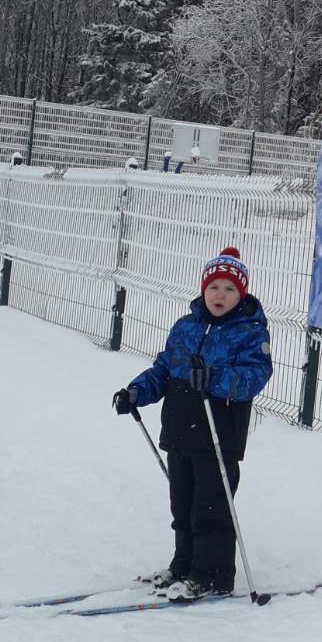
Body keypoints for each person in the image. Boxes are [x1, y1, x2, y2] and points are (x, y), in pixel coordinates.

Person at [112, 247, 273, 598]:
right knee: (182, 504)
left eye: (229, 289)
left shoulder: (249, 332)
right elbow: (164, 369)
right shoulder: (186, 327)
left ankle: (211, 574)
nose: (220, 295)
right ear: (203, 289)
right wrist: (138, 391)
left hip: (218, 435)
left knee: (210, 508)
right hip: (180, 430)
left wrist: (213, 378)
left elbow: (254, 377)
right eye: (213, 287)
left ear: (241, 293)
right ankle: (183, 564)